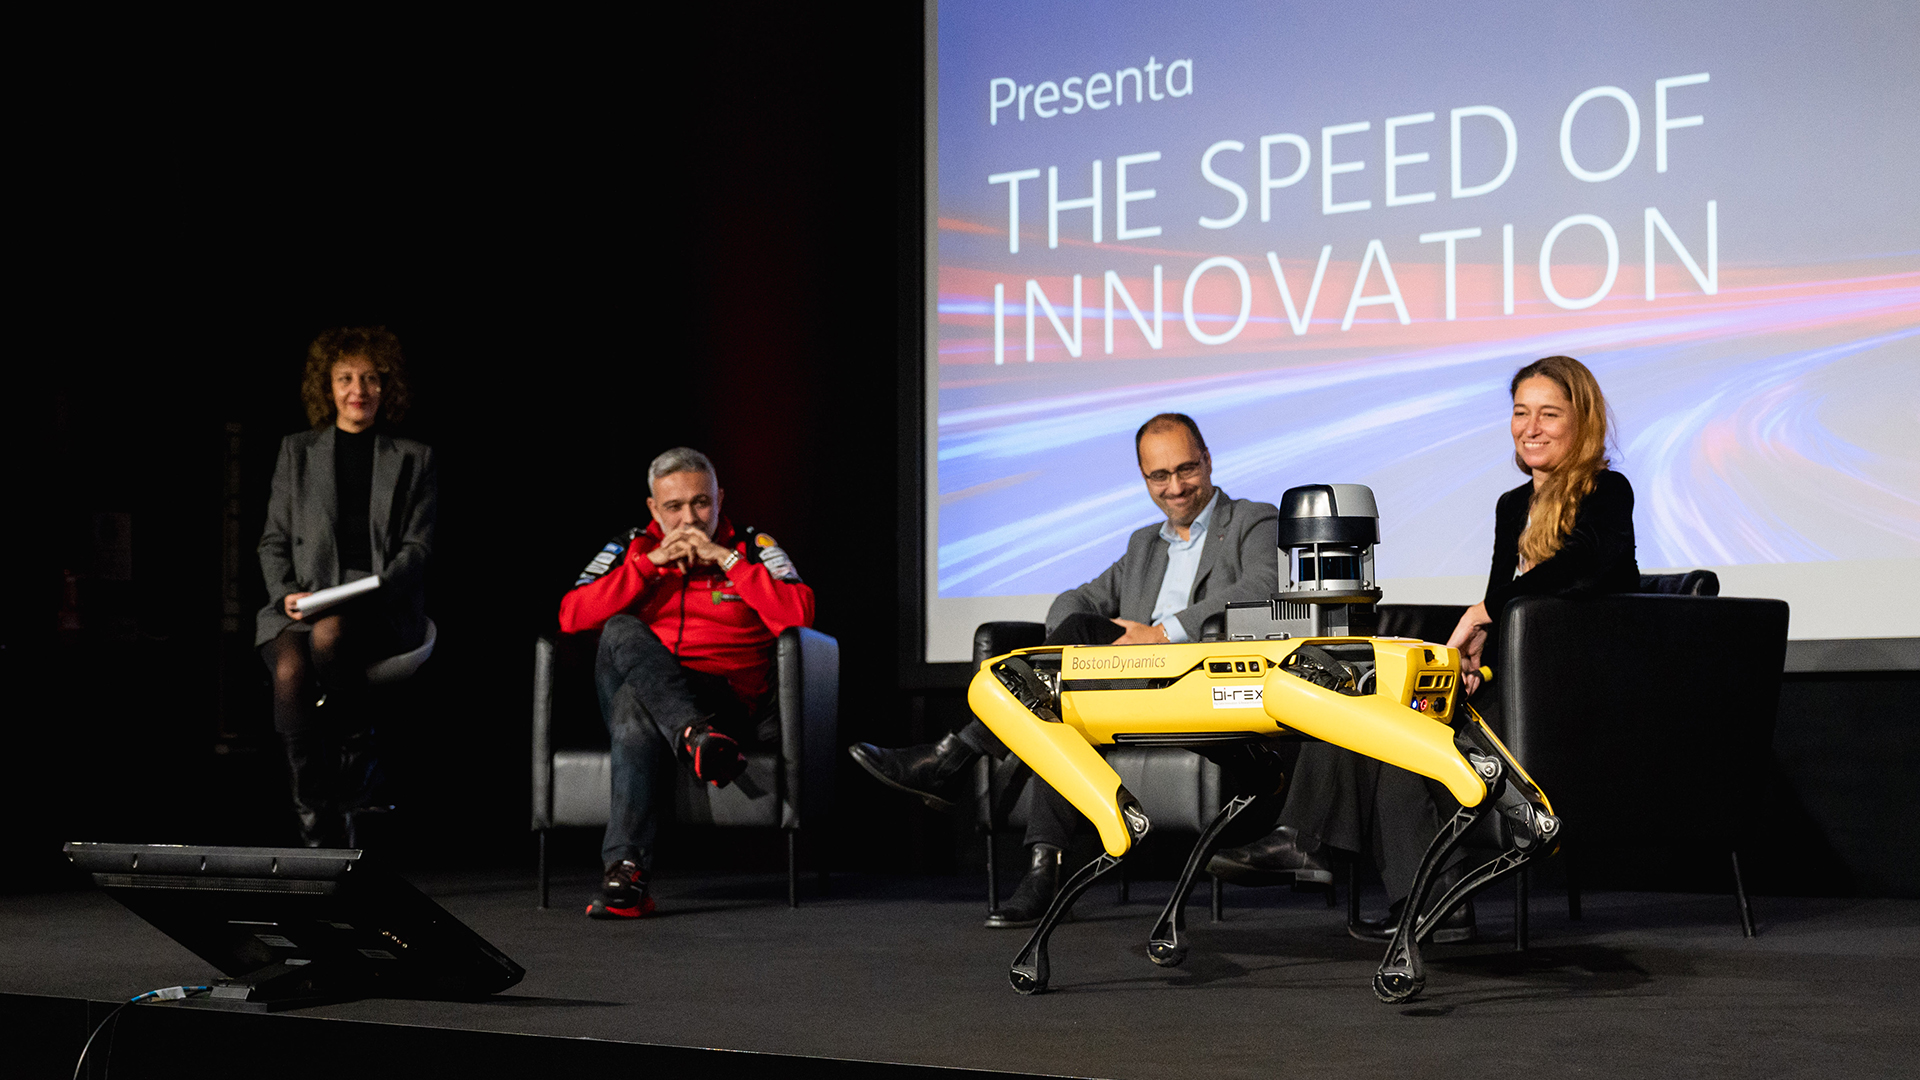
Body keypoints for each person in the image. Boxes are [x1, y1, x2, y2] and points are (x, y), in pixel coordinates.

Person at [1208, 354, 1640, 942]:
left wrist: (1483, 614)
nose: (1531, 428)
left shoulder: (1607, 491)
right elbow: (1505, 604)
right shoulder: (1512, 505)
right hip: (1512, 684)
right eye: (1521, 413)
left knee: (1400, 729)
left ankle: (1322, 848)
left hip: (1569, 695)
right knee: (1379, 714)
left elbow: (1582, 570)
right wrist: (1476, 661)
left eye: (1549, 414)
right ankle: (1406, 892)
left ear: (1581, 420)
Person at [849, 413, 1280, 927]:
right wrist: (1099, 638)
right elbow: (1072, 601)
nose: (1175, 487)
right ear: (1144, 477)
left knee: (1061, 679)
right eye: (1159, 476)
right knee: (1062, 692)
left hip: (1199, 688)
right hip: (1126, 687)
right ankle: (1043, 866)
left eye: (1185, 469)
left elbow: (1263, 587)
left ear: (1207, 461)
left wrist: (1161, 633)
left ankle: (955, 758)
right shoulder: (1145, 544)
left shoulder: (1253, 520)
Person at [557, 447, 815, 920]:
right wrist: (649, 566)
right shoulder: (632, 548)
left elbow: (799, 614)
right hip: (686, 716)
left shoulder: (752, 547)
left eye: (701, 503)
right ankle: (694, 736)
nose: (690, 519)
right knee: (619, 629)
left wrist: (727, 560)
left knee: (635, 705)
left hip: (726, 702)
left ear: (720, 499)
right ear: (654, 509)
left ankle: (626, 875)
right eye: (674, 507)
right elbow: (571, 616)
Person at [257, 326, 435, 849]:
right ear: (328, 387)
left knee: (330, 636)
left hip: (380, 605)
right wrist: (285, 592)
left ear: (387, 387)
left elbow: (418, 548)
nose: (359, 389)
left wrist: (380, 587)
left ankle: (357, 777)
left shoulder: (414, 457)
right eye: (346, 378)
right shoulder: (297, 451)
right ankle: (318, 822)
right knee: (289, 670)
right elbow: (273, 540)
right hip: (303, 600)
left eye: (371, 378)